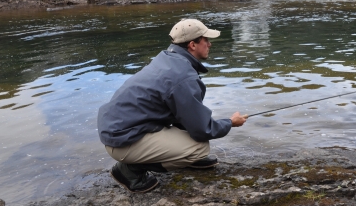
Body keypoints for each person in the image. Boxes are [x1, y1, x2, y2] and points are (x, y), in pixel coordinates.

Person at [97, 18, 247, 193]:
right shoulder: (183, 76)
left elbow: (183, 114)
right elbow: (203, 129)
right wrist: (230, 122)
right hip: (123, 140)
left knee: (192, 135)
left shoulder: (168, 59)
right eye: (206, 40)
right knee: (200, 148)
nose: (209, 44)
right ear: (192, 45)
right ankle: (130, 170)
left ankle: (183, 158)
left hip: (119, 130)